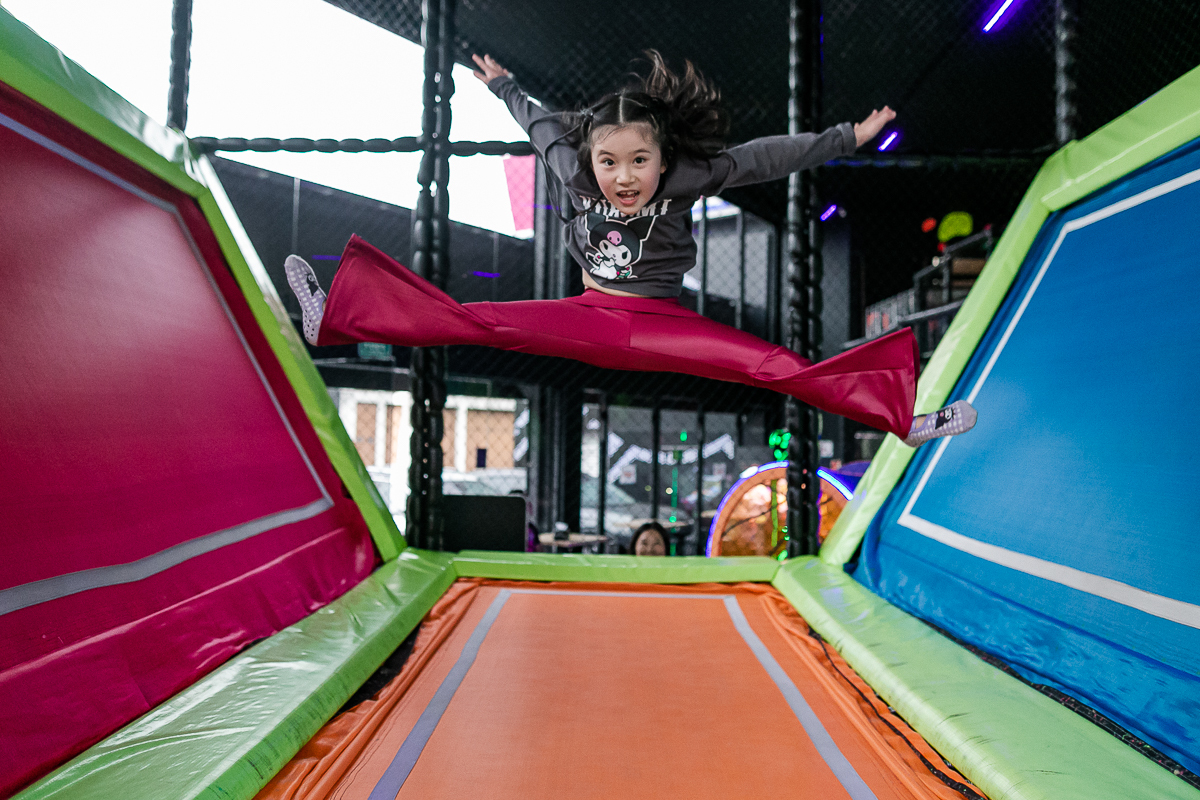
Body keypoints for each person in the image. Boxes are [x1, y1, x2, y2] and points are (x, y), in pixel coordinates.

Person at [285, 51, 975, 447]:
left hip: (665, 325)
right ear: (592, 158)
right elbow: (537, 124)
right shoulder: (569, 166)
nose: (624, 179)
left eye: (639, 162)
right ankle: (333, 320)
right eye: (610, 163)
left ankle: (901, 421)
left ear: (661, 156)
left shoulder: (688, 176)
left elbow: (765, 157)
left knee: (773, 363)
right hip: (588, 313)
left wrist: (844, 139)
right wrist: (503, 87)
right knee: (478, 316)